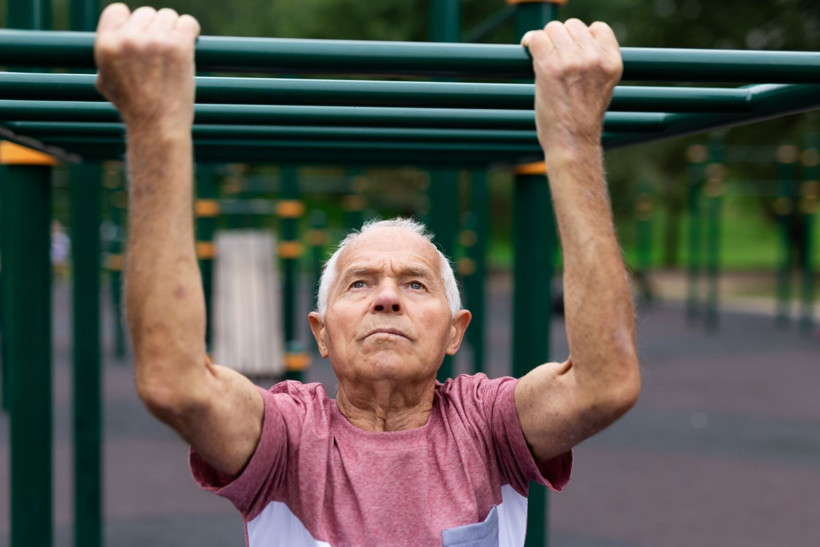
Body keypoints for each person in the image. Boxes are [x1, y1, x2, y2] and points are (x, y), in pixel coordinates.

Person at [94, 3, 640, 545]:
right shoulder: (287, 439)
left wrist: (573, 140)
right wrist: (155, 129)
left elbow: (603, 384)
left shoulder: (487, 426)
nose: (387, 298)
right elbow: (175, 384)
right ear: (321, 331)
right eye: (359, 283)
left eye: (415, 284)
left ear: (456, 329)